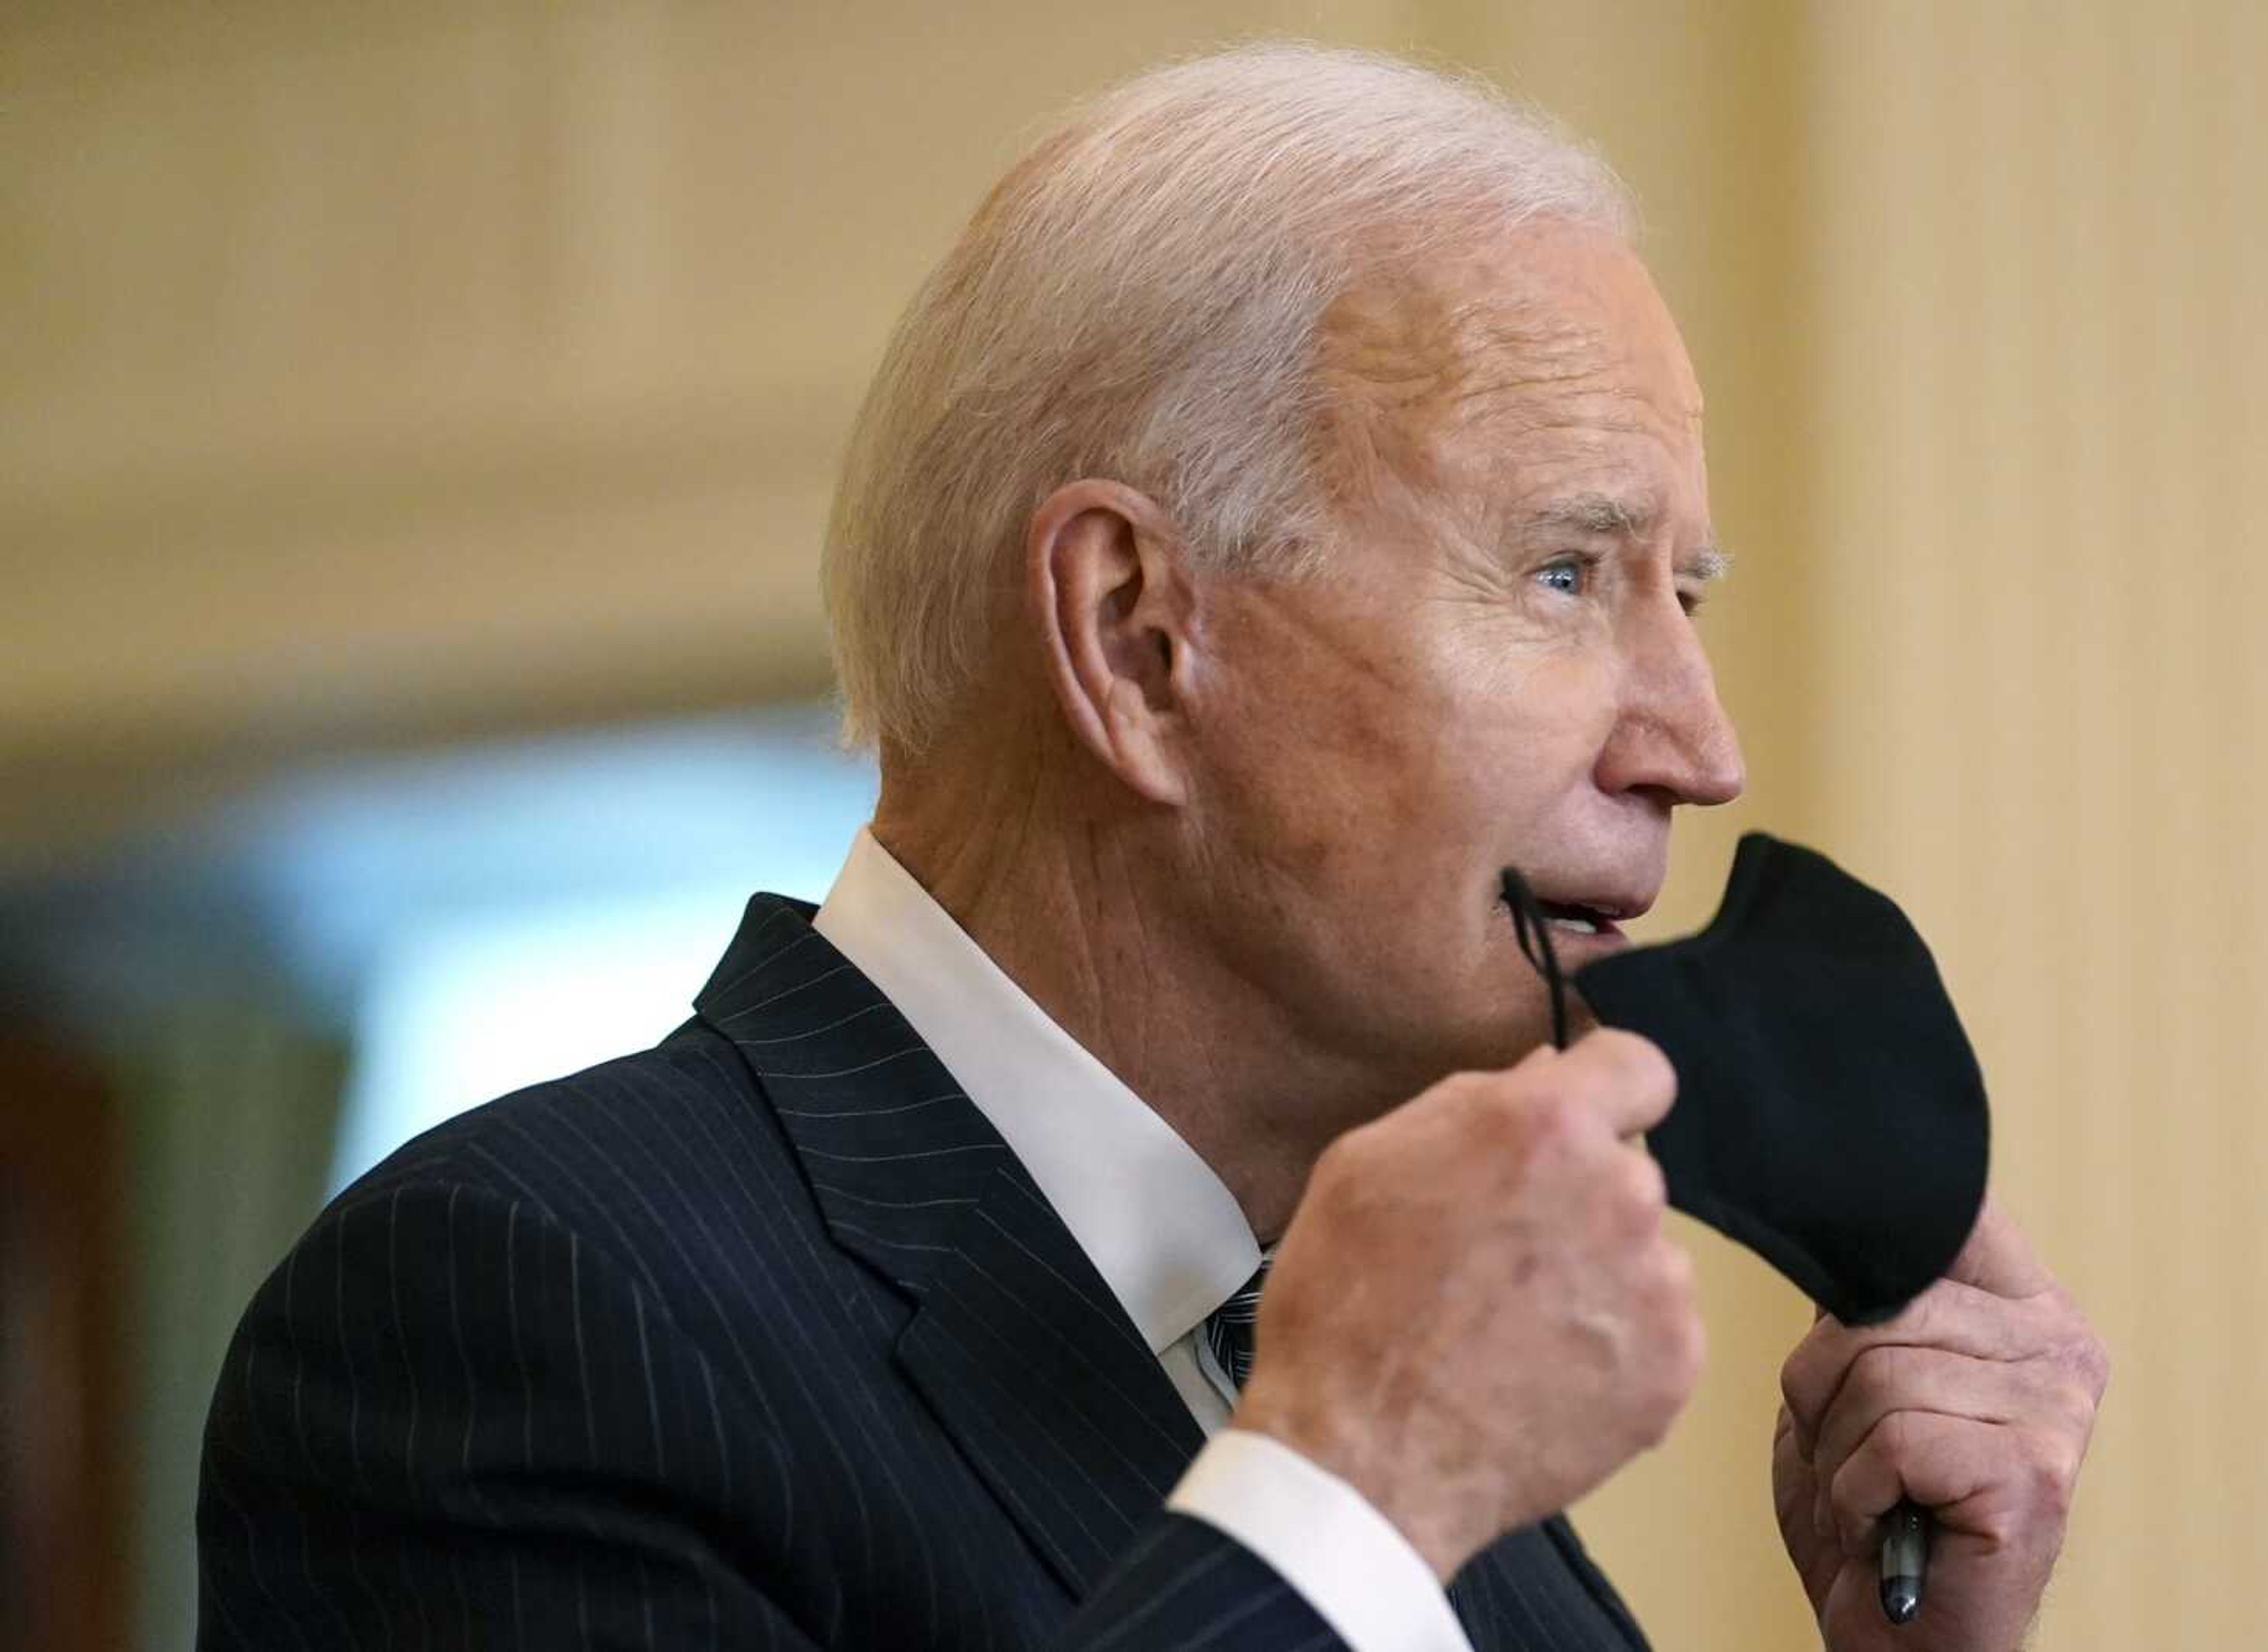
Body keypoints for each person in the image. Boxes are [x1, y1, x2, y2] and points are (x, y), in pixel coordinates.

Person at [198, 43, 2105, 1652]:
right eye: (1565, 571)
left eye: (1681, 594)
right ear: (1134, 635)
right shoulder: (514, 1315)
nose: (1702, 747)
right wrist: (1361, 1485)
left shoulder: (1432, 1435)